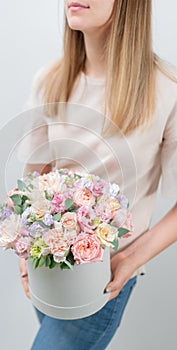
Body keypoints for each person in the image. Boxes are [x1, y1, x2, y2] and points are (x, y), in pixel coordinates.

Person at [18, 1, 177, 349]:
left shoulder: (166, 90)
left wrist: (129, 259)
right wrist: (25, 251)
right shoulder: (51, 80)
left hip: (103, 278)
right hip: (48, 268)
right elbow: (35, 179)